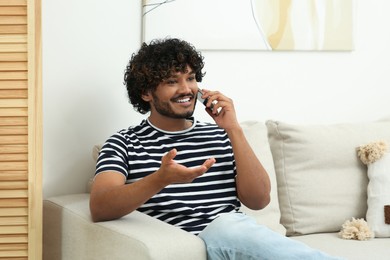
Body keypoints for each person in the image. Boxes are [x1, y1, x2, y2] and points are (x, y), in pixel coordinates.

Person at [90, 38, 344, 260]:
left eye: (190, 78)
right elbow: (100, 206)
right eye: (171, 81)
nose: (186, 89)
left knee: (231, 228)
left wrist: (233, 129)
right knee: (226, 229)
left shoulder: (220, 135)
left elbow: (259, 201)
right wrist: (160, 179)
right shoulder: (124, 143)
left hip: (236, 236)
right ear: (146, 93)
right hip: (194, 241)